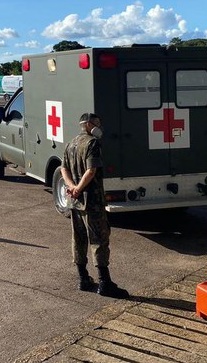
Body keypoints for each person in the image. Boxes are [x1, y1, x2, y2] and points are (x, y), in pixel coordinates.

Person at [60, 112, 129, 299]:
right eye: (98, 124)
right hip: (92, 201)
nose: (101, 127)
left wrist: (71, 187)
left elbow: (63, 168)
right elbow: (91, 171)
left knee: (79, 238)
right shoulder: (92, 143)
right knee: (99, 239)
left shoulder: (71, 143)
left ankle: (83, 279)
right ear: (89, 125)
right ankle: (104, 283)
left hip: (75, 202)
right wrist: (80, 188)